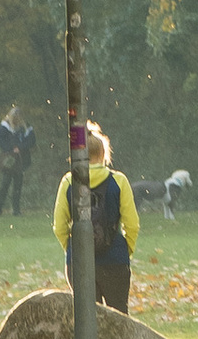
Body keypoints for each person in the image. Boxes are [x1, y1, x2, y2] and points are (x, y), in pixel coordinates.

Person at [53, 120, 139, 315]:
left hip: (79, 260)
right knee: (119, 319)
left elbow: (59, 226)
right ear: (103, 154)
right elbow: (132, 224)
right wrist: (125, 250)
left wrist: (72, 249)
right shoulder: (119, 181)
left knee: (86, 319)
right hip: (115, 259)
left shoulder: (68, 181)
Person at [0, 106, 33, 218]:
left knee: (18, 184)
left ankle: (16, 209)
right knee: (5, 183)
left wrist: (20, 147)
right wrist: (10, 148)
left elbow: (31, 140)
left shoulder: (26, 127)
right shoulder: (5, 126)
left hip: (21, 158)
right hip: (9, 159)